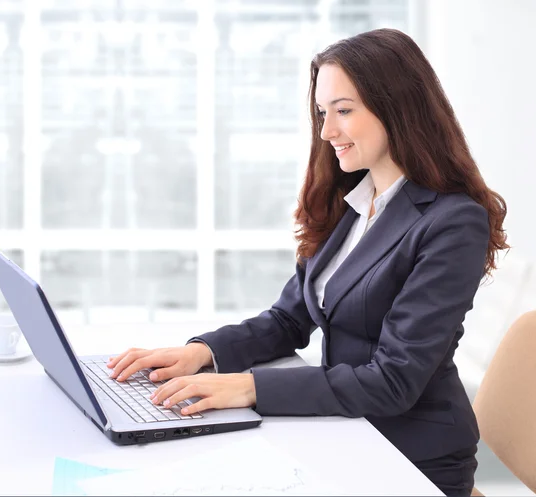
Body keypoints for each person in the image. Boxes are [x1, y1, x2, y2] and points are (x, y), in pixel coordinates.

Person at [107, 28, 508, 496]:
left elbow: (393, 380)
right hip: (343, 432)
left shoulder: (452, 222)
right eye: (322, 112)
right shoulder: (354, 202)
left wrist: (248, 388)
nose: (327, 131)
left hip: (410, 454)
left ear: (397, 106)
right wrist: (201, 354)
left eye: (343, 110)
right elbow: (288, 319)